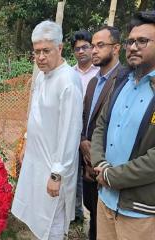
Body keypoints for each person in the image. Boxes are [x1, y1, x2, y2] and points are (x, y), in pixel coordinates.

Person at [11, 20, 83, 240]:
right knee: (36, 216)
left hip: (54, 167)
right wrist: (26, 142)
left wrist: (57, 173)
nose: (40, 57)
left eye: (46, 51)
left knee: (52, 221)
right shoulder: (43, 75)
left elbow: (70, 133)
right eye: (36, 52)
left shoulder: (68, 81)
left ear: (59, 48)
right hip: (36, 159)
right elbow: (36, 113)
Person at [91, 11, 155, 240]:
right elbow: (101, 125)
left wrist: (112, 177)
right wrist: (100, 163)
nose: (134, 47)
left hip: (139, 213)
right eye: (130, 41)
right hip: (105, 201)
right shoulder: (122, 81)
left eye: (143, 41)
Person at [80, 26, 127, 240]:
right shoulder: (92, 82)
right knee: (93, 215)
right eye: (93, 46)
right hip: (88, 161)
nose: (93, 51)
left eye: (100, 45)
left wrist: (99, 159)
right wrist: (82, 142)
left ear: (116, 48)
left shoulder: (126, 80)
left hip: (109, 166)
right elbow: (83, 118)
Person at [70, 29, 99, 224]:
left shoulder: (100, 74)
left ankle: (95, 213)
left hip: (93, 132)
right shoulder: (69, 73)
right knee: (73, 172)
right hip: (72, 130)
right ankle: (76, 212)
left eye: (84, 47)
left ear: (92, 48)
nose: (81, 52)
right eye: (77, 49)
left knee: (91, 172)